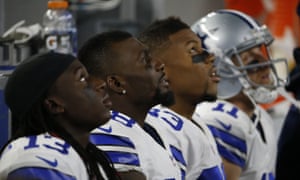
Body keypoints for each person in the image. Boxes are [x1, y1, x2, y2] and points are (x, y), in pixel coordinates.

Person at [191, 9, 288, 180]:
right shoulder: (219, 120)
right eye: (251, 60)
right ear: (220, 68)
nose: (266, 64)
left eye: (262, 53)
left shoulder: (259, 116)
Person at [78, 30, 182, 180]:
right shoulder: (109, 130)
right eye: (146, 61)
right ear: (117, 83)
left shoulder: (151, 128)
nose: (159, 64)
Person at [0, 52, 120, 179]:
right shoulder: (38, 154)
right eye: (82, 78)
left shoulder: (93, 159)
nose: (101, 84)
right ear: (54, 105)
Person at [139, 17, 225, 179]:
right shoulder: (161, 128)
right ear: (160, 68)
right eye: (192, 50)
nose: (210, 57)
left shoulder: (195, 123)